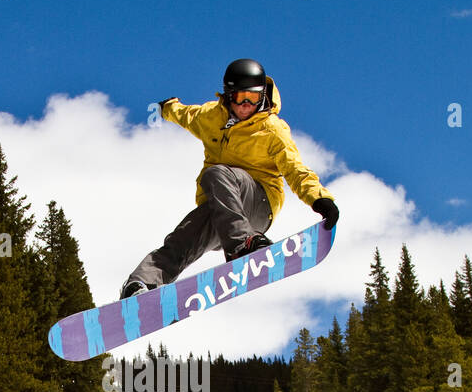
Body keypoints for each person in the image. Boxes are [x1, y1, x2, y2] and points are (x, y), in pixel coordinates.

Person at [120, 58, 339, 298]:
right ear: (228, 95)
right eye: (240, 98)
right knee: (183, 237)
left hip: (257, 206)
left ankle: (242, 245)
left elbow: (295, 168)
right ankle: (140, 284)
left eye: (253, 99)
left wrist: (319, 199)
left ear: (262, 96)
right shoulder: (211, 116)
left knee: (216, 173)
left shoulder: (272, 129)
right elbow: (186, 115)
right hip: (223, 209)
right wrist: (166, 108)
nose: (246, 105)